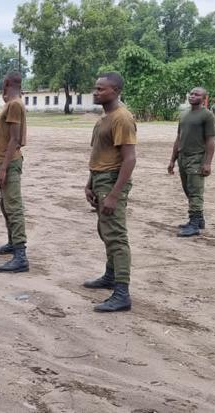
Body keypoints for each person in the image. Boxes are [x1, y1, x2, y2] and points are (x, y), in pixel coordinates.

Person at [82, 72, 137, 312]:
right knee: (105, 231)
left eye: (100, 89)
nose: (96, 92)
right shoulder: (103, 119)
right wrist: (90, 182)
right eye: (95, 88)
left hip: (112, 182)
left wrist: (114, 194)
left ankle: (122, 292)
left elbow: (129, 159)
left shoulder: (122, 118)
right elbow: (99, 155)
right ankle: (111, 275)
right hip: (100, 180)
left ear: (115, 91)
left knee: (116, 236)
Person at [0, 72, 30, 273]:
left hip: (11, 161)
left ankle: (21, 254)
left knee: (13, 206)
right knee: (6, 204)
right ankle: (12, 242)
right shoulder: (12, 103)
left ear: (6, 83)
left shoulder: (14, 105)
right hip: (5, 160)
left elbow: (14, 139)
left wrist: (4, 168)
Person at [167, 87, 215, 237]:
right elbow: (178, 137)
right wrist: (172, 159)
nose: (193, 96)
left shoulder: (207, 116)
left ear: (204, 98)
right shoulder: (184, 114)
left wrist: (207, 163)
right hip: (183, 157)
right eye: (192, 93)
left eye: (197, 94)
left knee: (195, 191)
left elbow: (210, 140)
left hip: (197, 158)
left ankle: (194, 224)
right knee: (188, 189)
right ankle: (199, 219)